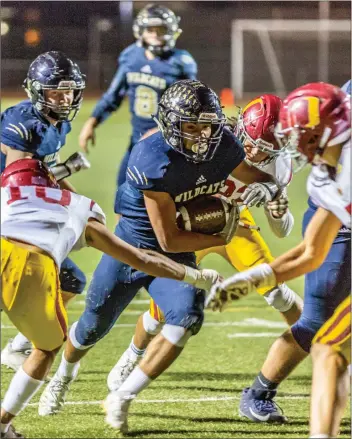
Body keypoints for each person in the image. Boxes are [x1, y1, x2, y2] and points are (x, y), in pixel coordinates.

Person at [39, 79, 282, 433]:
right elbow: (167, 239)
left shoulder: (225, 146)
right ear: (171, 125)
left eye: (208, 126)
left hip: (177, 254)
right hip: (134, 248)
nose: (202, 135)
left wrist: (267, 186)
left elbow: (251, 174)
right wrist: (223, 232)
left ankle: (123, 396)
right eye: (192, 127)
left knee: (187, 315)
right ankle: (63, 376)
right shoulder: (152, 158)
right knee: (92, 326)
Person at [0, 158, 221, 438]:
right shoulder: (76, 204)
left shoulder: (4, 195)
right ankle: (2, 424)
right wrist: (196, 277)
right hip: (31, 265)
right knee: (45, 349)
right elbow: (140, 258)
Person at [106, 94, 303, 393]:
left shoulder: (278, 166)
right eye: (251, 143)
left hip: (236, 222)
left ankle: (329, 343)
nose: (253, 153)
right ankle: (133, 353)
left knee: (275, 289)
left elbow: (282, 231)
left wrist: (276, 203)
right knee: (162, 307)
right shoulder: (214, 140)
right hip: (192, 220)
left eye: (264, 151)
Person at [207, 82, 351, 428]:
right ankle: (262, 395)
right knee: (327, 343)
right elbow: (311, 252)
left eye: (301, 135)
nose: (293, 145)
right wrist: (247, 282)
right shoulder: (323, 176)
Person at [1, 51, 91, 372]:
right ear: (37, 91)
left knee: (70, 280)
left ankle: (20, 345)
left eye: (69, 90)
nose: (65, 98)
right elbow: (19, 185)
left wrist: (71, 189)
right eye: (56, 91)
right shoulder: (22, 125)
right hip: (10, 216)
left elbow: (39, 174)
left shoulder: (59, 123)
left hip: (20, 214)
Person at [79, 3, 197, 190]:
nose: (155, 34)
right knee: (124, 192)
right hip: (137, 140)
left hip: (170, 143)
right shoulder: (131, 56)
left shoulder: (181, 61)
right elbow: (114, 95)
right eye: (150, 29)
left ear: (172, 31)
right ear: (140, 30)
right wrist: (92, 121)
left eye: (161, 29)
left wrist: (166, 131)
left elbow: (192, 107)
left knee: (166, 195)